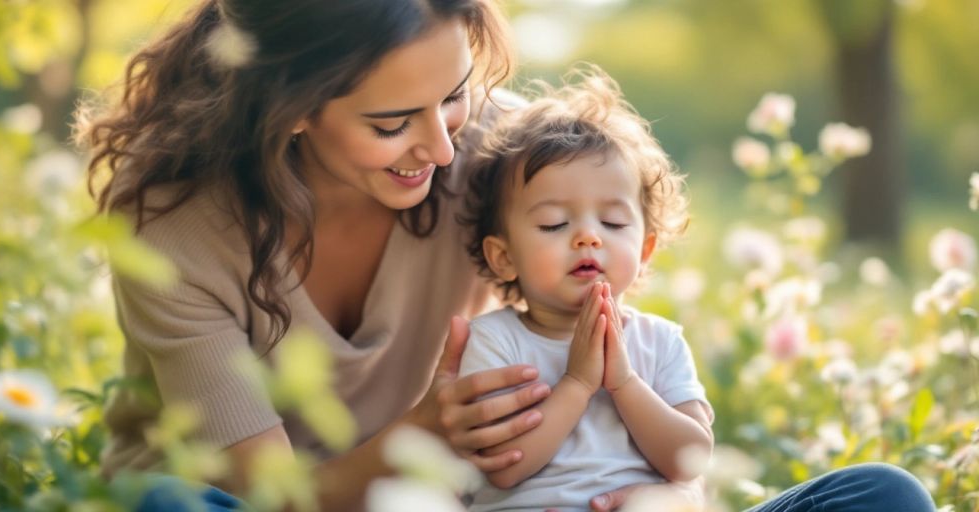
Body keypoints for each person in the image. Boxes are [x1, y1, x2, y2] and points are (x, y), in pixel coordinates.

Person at [74, 0, 937, 511]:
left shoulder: (496, 153)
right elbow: (268, 493)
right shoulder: (177, 227)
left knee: (883, 498)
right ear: (288, 107)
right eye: (390, 124)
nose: (444, 152)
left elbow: (612, 233)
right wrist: (417, 436)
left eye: (452, 97)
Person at [456, 68, 714, 512]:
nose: (589, 237)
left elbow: (690, 461)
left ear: (646, 247)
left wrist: (625, 383)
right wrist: (576, 383)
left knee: (871, 487)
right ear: (504, 257)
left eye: (612, 223)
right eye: (554, 223)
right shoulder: (495, 341)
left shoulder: (660, 341)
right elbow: (503, 466)